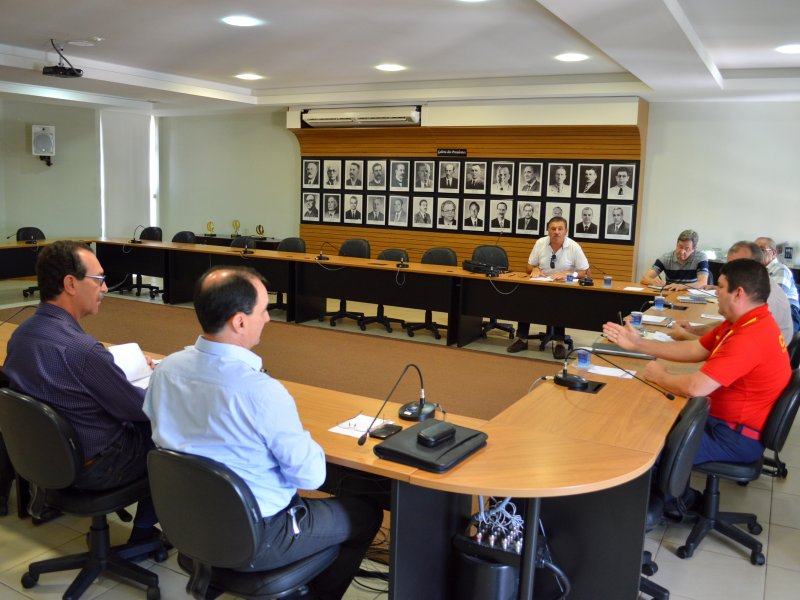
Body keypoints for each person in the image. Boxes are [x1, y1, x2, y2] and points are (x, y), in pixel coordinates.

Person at [144, 266, 383, 599]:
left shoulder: (166, 370)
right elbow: (311, 477)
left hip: (190, 526)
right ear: (239, 321)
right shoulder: (261, 393)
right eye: (263, 310)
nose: (268, 318)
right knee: (366, 513)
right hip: (262, 535)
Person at [3, 241, 160, 543]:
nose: (105, 288)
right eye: (99, 279)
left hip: (46, 458)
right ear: (71, 284)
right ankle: (144, 534)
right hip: (93, 467)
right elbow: (141, 409)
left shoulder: (21, 334)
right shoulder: (83, 351)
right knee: (169, 432)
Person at [603, 258, 791, 465]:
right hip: (722, 423)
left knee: (642, 444)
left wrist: (660, 376)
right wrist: (638, 344)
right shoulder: (745, 321)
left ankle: (669, 497)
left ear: (738, 293)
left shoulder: (751, 336)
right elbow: (695, 348)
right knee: (647, 417)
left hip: (733, 437)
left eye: (720, 286)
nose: (715, 291)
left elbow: (695, 388)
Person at [670, 242, 793, 343]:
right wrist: (693, 330)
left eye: (738, 267)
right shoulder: (752, 285)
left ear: (758, 266)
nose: (730, 272)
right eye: (729, 266)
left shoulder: (762, 296)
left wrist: (685, 336)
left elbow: (727, 345)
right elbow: (727, 327)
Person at [507, 217, 589, 357]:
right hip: (541, 283)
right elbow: (528, 267)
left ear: (566, 231)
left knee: (559, 303)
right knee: (525, 299)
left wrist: (570, 274)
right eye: (553, 229)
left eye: (560, 229)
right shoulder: (540, 243)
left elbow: (584, 272)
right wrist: (535, 269)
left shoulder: (573, 246)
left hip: (563, 287)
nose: (556, 232)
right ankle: (522, 339)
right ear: (548, 230)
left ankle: (559, 343)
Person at [755, 237, 800, 334]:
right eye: (755, 250)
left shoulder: (780, 269)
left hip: (789, 312)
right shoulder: (757, 271)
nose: (757, 254)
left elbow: (774, 300)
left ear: (774, 253)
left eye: (761, 250)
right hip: (767, 310)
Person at [640, 229, 709, 290]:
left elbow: (702, 283)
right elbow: (643, 279)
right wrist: (653, 282)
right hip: (670, 294)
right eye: (680, 247)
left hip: (690, 295)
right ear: (676, 244)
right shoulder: (666, 258)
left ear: (694, 249)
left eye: (686, 249)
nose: (682, 252)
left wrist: (682, 286)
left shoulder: (701, 257)